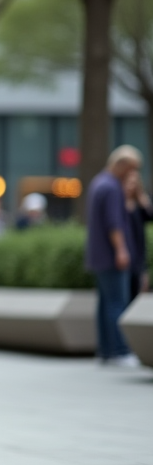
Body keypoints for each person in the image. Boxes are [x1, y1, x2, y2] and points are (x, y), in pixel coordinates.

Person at [85, 145, 143, 368]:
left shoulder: (99, 182)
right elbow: (114, 223)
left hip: (99, 256)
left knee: (105, 303)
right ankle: (119, 350)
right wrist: (121, 249)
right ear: (121, 165)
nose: (133, 174)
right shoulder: (111, 188)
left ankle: (106, 350)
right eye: (131, 169)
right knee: (117, 303)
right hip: (111, 256)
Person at [124, 169, 153, 306]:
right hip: (123, 258)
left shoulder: (139, 205)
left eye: (134, 183)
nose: (131, 186)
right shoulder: (118, 204)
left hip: (137, 257)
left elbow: (150, 216)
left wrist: (142, 197)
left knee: (135, 295)